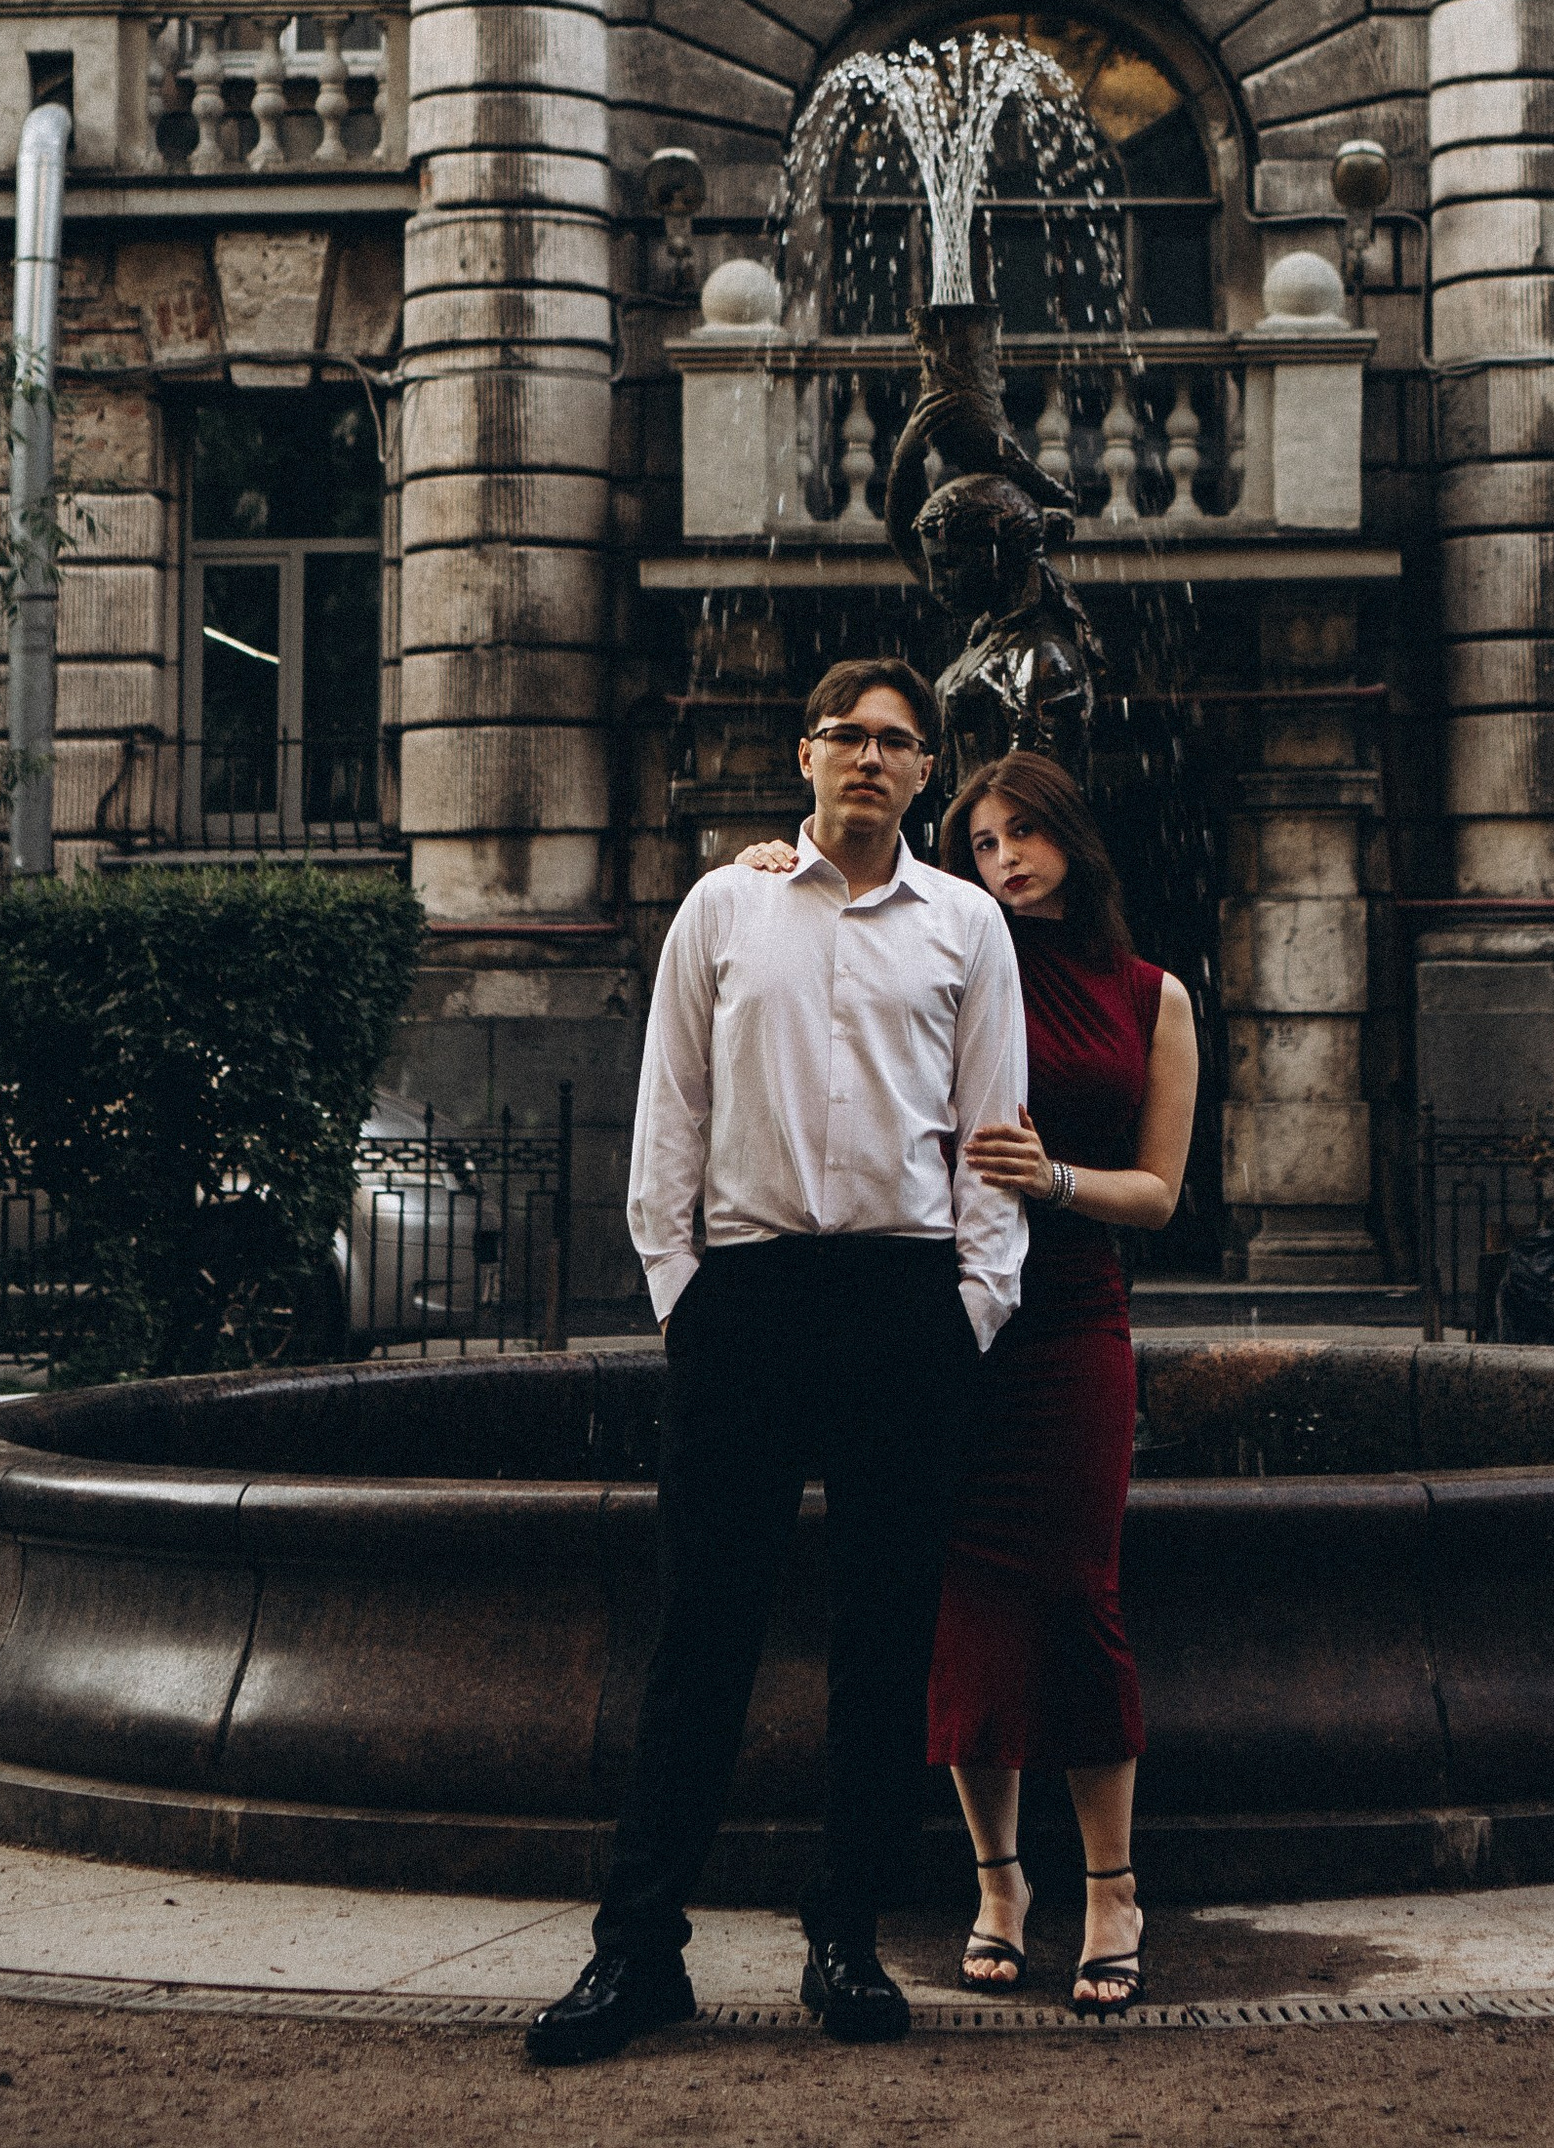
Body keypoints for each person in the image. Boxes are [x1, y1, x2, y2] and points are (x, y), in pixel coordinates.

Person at [522, 656, 1027, 2069]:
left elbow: (995, 1127)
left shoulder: (967, 929)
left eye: (896, 742)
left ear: (928, 771)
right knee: (700, 1641)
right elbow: (667, 1108)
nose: (868, 759)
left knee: (883, 1649)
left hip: (902, 1304)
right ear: (803, 757)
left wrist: (974, 1304)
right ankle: (638, 1955)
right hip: (746, 1299)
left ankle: (847, 1938)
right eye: (844, 736)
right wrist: (684, 1290)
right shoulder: (724, 904)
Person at [736, 748, 1196, 2016]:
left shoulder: (1152, 995)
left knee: (1079, 1595)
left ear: (1071, 838)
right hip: (940, 1315)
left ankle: (1112, 1887)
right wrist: (773, 865)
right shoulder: (943, 949)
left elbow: (1158, 1194)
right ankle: (1001, 1888)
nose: (1006, 862)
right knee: (962, 1605)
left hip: (1071, 1322)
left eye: (1024, 836)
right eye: (984, 844)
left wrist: (1050, 1180)